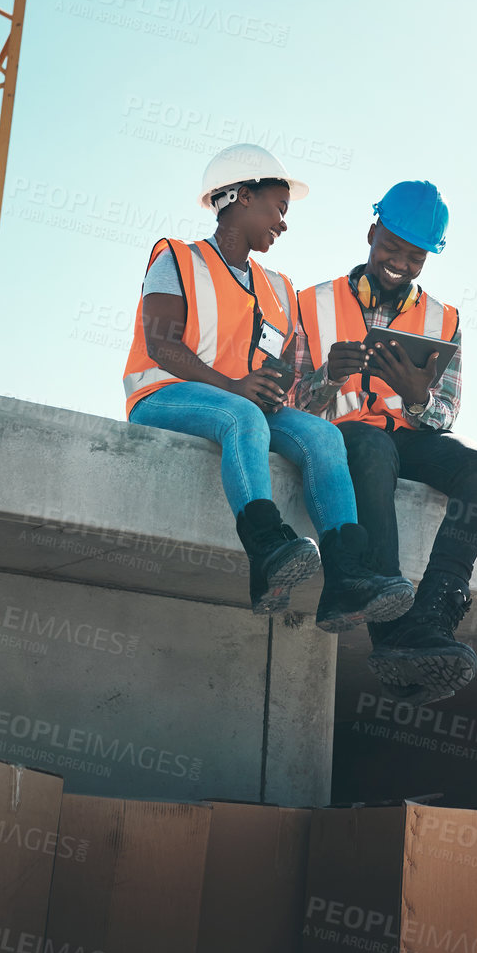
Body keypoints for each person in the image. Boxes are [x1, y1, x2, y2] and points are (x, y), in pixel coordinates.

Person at [123, 143, 414, 633]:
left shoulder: (278, 287)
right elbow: (161, 344)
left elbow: (283, 370)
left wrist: (281, 385)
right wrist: (235, 386)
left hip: (243, 401)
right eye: (279, 208)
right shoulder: (176, 258)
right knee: (243, 416)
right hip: (166, 395)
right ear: (240, 197)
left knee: (324, 437)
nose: (283, 223)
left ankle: (346, 578)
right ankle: (266, 548)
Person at [293, 181, 477, 704]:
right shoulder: (309, 304)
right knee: (369, 444)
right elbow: (285, 407)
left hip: (407, 437)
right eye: (391, 247)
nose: (399, 263)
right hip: (345, 440)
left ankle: (434, 611)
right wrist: (327, 380)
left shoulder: (443, 321)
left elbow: (446, 412)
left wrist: (416, 398)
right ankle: (391, 619)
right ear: (371, 232)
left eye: (415, 256)